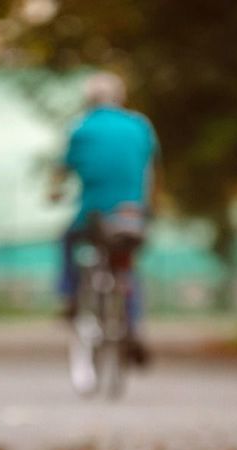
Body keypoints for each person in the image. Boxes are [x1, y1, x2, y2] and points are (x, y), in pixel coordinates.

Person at [50, 71, 159, 365]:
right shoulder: (140, 126)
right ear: (120, 98)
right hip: (132, 214)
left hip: (94, 214)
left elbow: (64, 170)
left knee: (66, 239)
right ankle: (133, 326)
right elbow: (148, 171)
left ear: (88, 100)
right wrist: (144, 206)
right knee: (126, 267)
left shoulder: (81, 128)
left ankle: (70, 296)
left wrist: (54, 192)